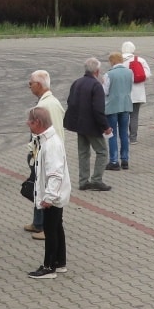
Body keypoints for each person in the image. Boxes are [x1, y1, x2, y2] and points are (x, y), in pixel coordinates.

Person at [26, 106, 70, 279]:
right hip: (55, 193)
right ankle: (60, 262)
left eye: (30, 121)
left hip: (53, 194)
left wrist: (49, 196)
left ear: (37, 122)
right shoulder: (46, 139)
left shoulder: (51, 144)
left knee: (51, 229)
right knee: (57, 226)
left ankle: (49, 266)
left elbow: (55, 172)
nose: (28, 124)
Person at [25, 70, 67, 236]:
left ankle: (44, 226)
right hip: (45, 151)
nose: (29, 86)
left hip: (45, 153)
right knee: (38, 186)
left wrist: (33, 151)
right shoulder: (51, 102)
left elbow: (44, 131)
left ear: (39, 85)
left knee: (44, 187)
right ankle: (38, 222)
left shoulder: (45, 105)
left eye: (31, 83)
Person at [64, 57, 112, 191]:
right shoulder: (96, 86)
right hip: (92, 125)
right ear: (97, 71)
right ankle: (97, 179)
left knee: (83, 152)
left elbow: (70, 102)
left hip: (79, 124)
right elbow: (98, 109)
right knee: (102, 151)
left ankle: (83, 181)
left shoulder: (77, 82)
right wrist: (106, 127)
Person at [102, 52, 134, 171]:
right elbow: (130, 87)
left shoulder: (109, 74)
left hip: (112, 106)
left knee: (112, 134)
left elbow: (105, 91)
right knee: (124, 133)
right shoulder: (129, 72)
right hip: (126, 104)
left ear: (113, 61)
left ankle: (114, 161)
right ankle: (125, 159)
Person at [122, 41, 150, 143]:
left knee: (123, 116)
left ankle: (123, 137)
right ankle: (133, 138)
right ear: (133, 49)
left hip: (123, 93)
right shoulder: (140, 60)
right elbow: (147, 74)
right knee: (134, 115)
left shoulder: (118, 61)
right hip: (137, 92)